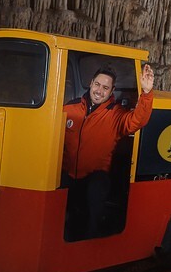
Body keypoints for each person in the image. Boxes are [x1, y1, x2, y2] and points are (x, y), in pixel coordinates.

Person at [62, 64, 155, 239]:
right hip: (68, 176)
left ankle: (92, 239)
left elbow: (137, 121)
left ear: (111, 91)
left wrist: (147, 93)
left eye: (105, 88)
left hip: (95, 179)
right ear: (91, 83)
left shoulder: (116, 114)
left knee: (96, 188)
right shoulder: (70, 109)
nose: (99, 90)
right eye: (97, 84)